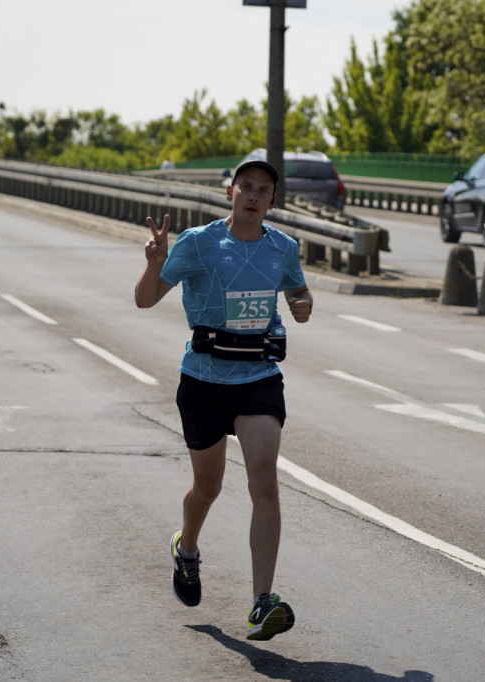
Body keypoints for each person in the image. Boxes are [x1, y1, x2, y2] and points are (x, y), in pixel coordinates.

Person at [135, 158, 313, 641]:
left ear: (272, 201)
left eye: (264, 190)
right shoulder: (198, 244)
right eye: (246, 187)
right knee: (206, 489)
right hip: (204, 379)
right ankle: (187, 550)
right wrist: (153, 266)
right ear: (230, 191)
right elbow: (145, 299)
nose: (254, 196)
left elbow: (300, 294)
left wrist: (302, 306)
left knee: (265, 484)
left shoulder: (283, 248)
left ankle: (261, 603)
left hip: (258, 377)